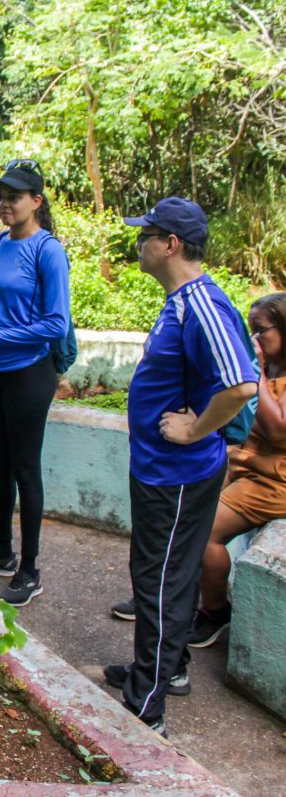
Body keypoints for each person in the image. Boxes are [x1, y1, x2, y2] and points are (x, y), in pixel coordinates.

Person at [100, 197, 256, 737]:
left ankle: (148, 707)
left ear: (170, 244)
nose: (138, 243)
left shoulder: (203, 305)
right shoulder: (181, 301)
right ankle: (167, 669)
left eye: (146, 235)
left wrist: (194, 429)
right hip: (159, 468)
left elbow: (240, 385)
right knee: (165, 575)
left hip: (178, 473)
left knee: (160, 581)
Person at [0, 159, 71, 607]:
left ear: (36, 202)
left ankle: (30, 568)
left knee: (25, 469)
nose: (4, 204)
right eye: (0, 196)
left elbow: (55, 322)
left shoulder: (48, 251)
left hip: (29, 374)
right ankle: (1, 551)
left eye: (14, 197)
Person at [188, 292, 286, 648]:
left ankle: (214, 612)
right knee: (182, 512)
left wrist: (252, 370)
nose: (254, 339)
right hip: (246, 467)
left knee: (205, 532)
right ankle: (170, 599)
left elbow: (277, 428)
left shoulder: (264, 371)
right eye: (251, 331)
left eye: (261, 332)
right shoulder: (270, 368)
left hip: (274, 482)